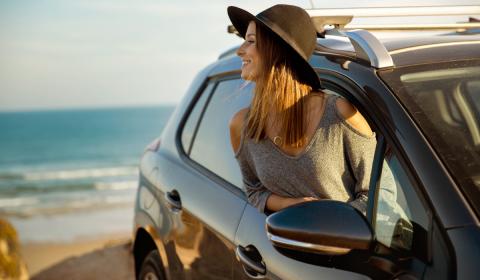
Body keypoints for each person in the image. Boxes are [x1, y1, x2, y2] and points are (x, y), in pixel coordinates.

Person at [227, 4, 376, 214]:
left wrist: (328, 225)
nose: (240, 50)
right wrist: (291, 205)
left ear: (277, 51)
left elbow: (378, 198)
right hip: (276, 245)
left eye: (250, 41)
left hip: (348, 243)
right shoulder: (242, 125)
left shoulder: (340, 115)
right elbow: (254, 191)